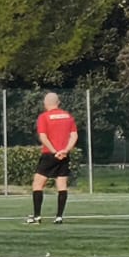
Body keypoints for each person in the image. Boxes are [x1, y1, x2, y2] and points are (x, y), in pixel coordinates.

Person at [28, 91, 78, 225]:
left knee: (38, 184)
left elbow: (43, 137)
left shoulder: (44, 117)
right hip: (64, 155)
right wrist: (65, 150)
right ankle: (59, 217)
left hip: (49, 154)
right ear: (58, 103)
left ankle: (37, 216)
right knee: (62, 185)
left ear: (45, 103)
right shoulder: (68, 116)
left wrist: (54, 151)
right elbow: (74, 136)